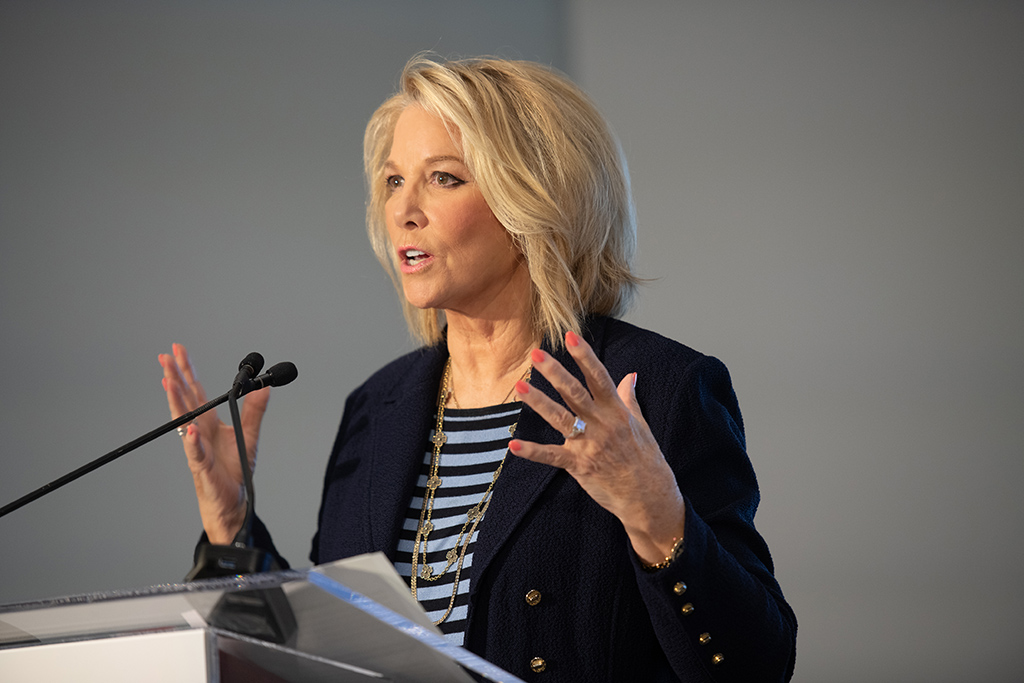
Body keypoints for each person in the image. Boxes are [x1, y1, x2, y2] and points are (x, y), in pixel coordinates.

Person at [159, 55, 797, 682]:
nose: (404, 208)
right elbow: (330, 650)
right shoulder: (376, 408)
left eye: (443, 178)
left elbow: (756, 666)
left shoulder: (653, 390)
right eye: (391, 180)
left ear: (532, 199)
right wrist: (231, 522)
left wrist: (659, 519)